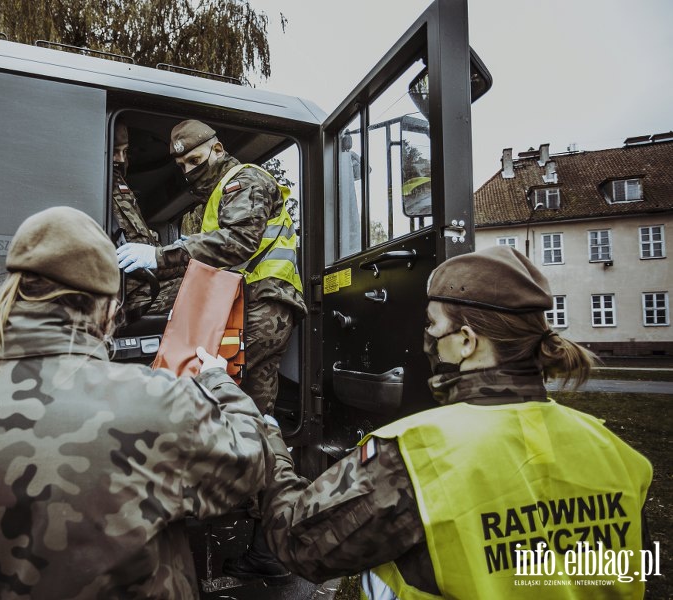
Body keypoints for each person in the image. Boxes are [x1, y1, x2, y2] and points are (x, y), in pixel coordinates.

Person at [0, 206, 274, 599]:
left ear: (14, 296)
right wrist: (217, 381)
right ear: (105, 309)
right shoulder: (156, 402)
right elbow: (250, 465)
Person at [259, 246, 654, 599]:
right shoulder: (616, 453)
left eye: (431, 325)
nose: (426, 338)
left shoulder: (417, 452)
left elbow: (299, 545)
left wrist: (270, 440)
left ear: (467, 341)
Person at [116, 119, 306, 581]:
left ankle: (274, 543)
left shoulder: (247, 180)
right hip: (238, 306)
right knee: (241, 411)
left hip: (264, 304)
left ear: (218, 149)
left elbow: (239, 242)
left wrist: (158, 256)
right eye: (181, 165)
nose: (188, 171)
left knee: (252, 414)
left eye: (195, 160)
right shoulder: (204, 205)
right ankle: (260, 536)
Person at [110, 120, 180, 317]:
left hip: (140, 286)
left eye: (125, 152)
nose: (121, 160)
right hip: (130, 294)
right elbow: (138, 258)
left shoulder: (118, 185)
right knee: (209, 286)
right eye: (115, 151)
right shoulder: (109, 186)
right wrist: (186, 258)